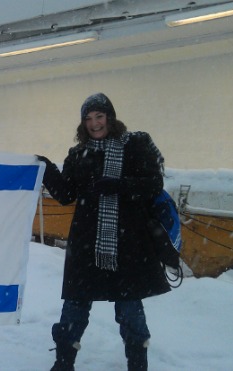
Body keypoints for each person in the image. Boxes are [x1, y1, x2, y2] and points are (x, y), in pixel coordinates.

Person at [37, 93, 170, 371]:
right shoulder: (78, 154)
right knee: (75, 306)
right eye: (88, 119)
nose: (94, 123)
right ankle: (63, 363)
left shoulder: (135, 144)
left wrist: (121, 185)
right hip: (86, 244)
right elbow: (65, 194)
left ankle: (137, 364)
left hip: (127, 243)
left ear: (110, 117)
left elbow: (153, 184)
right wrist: (46, 167)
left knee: (129, 309)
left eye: (99, 116)